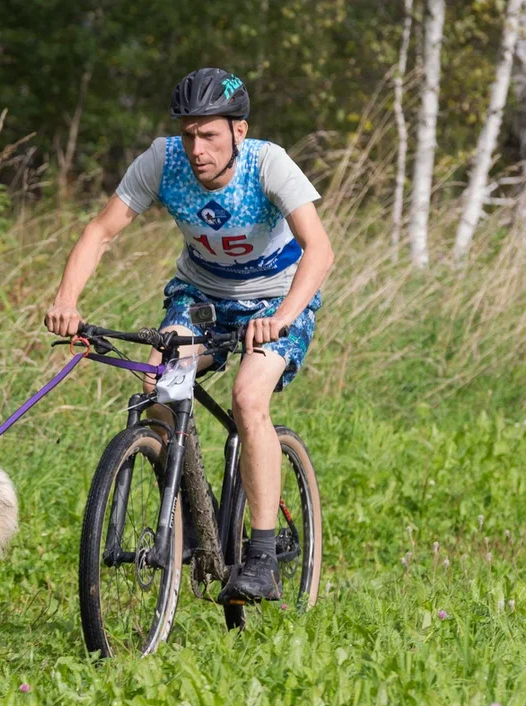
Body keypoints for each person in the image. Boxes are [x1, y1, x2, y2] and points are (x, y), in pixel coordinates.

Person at [44, 67, 334, 603]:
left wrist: (284, 316)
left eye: (210, 135)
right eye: (189, 134)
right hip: (200, 297)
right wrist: (66, 300)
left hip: (276, 300)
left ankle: (263, 557)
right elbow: (100, 232)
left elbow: (319, 249)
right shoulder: (161, 160)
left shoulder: (269, 163)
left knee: (248, 398)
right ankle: (179, 527)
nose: (197, 148)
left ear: (238, 131)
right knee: (163, 384)